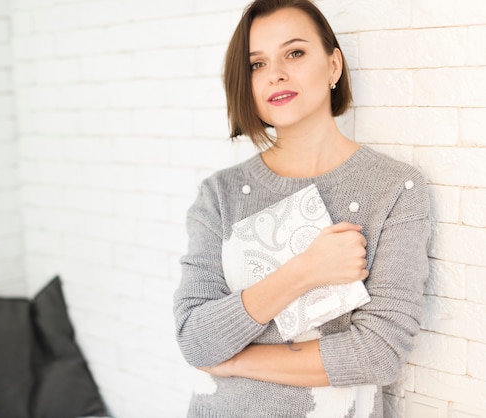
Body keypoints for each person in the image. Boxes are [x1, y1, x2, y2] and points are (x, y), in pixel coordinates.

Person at [173, 0, 431, 417]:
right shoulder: (218, 196)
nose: (276, 73)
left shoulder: (395, 189)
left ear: (333, 67)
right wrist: (305, 271)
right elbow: (196, 339)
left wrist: (236, 359)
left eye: (294, 53)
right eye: (256, 64)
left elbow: (380, 352)